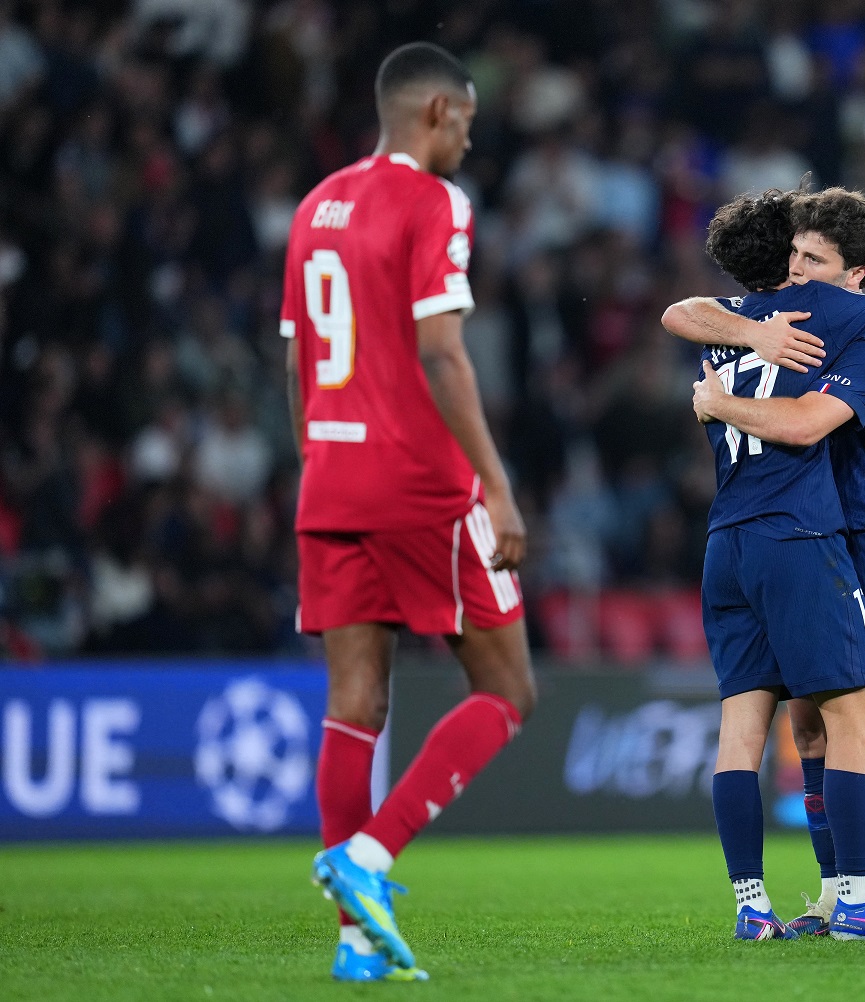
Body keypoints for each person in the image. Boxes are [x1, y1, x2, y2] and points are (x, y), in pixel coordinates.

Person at [280, 43, 537, 981]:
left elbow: (297, 360)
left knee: (354, 704)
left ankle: (356, 945)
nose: (469, 138)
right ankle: (369, 855)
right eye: (466, 119)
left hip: (330, 479)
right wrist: (496, 483)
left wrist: (316, 462)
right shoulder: (435, 202)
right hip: (418, 482)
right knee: (508, 690)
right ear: (435, 111)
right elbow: (441, 351)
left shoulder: (314, 205)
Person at [665, 186, 865, 937]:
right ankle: (837, 893)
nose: (799, 270)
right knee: (810, 729)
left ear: (856, 274)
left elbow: (809, 420)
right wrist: (753, 331)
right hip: (806, 543)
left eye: (816, 260)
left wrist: (718, 402)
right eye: (794, 254)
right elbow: (685, 311)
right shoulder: (787, 326)